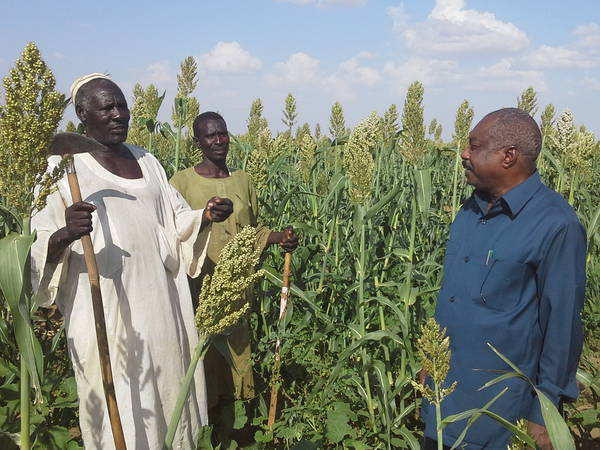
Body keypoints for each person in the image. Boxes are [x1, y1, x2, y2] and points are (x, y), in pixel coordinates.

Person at [31, 74, 234, 450]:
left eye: (122, 105)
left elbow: (176, 222)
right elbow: (37, 246)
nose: (118, 114)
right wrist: (65, 233)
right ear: (82, 114)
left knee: (171, 397)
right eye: (107, 107)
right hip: (108, 319)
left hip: (165, 311)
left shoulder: (148, 161)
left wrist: (204, 216)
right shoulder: (64, 170)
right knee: (122, 406)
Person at [422, 108, 586, 449]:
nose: (464, 154)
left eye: (474, 145)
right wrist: (431, 363)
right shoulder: (469, 211)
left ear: (508, 156)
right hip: (443, 398)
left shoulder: (556, 224)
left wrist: (545, 412)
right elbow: (452, 298)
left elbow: (562, 325)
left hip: (498, 415)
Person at [169, 111, 298, 436]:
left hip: (238, 288)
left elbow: (252, 231)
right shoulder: (181, 182)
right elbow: (172, 231)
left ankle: (235, 428)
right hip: (198, 288)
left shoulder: (244, 180)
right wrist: (206, 216)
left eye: (223, 133)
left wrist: (279, 237)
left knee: (237, 354)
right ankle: (201, 428)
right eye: (210, 136)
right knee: (202, 355)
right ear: (197, 142)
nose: (219, 141)